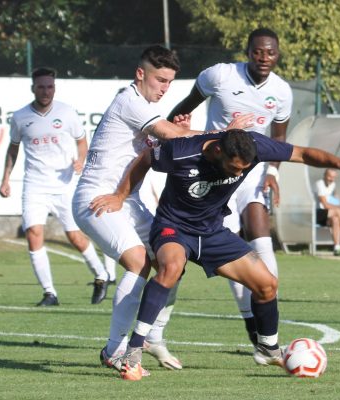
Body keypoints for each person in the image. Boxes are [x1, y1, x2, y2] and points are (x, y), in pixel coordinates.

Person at [91, 129, 340, 380]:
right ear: (217, 151)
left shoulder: (255, 145)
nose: (238, 174)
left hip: (213, 233)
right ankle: (135, 349)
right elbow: (146, 159)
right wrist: (120, 194)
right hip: (173, 228)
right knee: (171, 268)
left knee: (267, 284)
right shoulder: (182, 151)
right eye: (234, 168)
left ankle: (268, 348)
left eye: (243, 170)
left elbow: (303, 153)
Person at [72, 45, 253, 374]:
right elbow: (170, 134)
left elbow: (168, 140)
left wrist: (180, 130)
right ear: (140, 74)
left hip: (126, 201)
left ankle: (152, 336)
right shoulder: (129, 100)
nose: (165, 88)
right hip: (98, 198)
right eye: (159, 80)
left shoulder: (141, 106)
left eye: (170, 82)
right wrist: (224, 135)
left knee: (173, 260)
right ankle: (114, 350)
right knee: (139, 262)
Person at [168, 28, 292, 345]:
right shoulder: (220, 76)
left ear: (278, 54)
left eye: (270, 52)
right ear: (247, 51)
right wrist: (171, 133)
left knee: (262, 241)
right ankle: (253, 325)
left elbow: (279, 138)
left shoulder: (281, 91)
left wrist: (273, 173)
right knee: (233, 250)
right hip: (215, 175)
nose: (263, 58)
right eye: (257, 52)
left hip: (251, 174)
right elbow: (184, 107)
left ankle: (267, 322)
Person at [0, 67, 110, 307]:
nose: (46, 91)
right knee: (33, 234)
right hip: (35, 184)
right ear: (33, 88)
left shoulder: (66, 112)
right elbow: (13, 148)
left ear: (54, 88)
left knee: (75, 237)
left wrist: (81, 160)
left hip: (64, 184)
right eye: (41, 86)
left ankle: (101, 276)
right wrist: (5, 178)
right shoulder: (20, 117)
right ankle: (50, 293)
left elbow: (82, 141)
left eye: (50, 86)